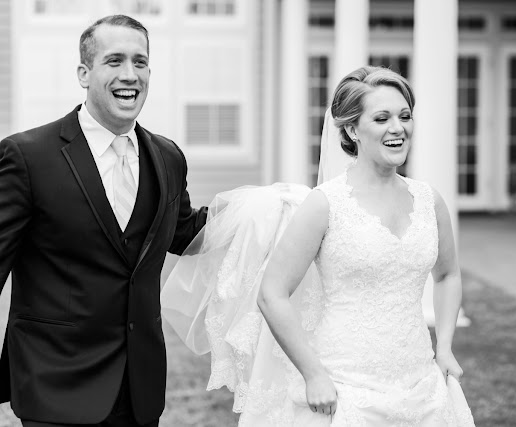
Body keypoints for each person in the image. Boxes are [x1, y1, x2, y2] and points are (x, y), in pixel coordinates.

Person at [161, 66, 474, 426]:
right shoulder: (326, 204)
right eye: (382, 118)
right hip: (344, 388)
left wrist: (446, 347)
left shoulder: (429, 200)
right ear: (353, 129)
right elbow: (272, 293)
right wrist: (313, 374)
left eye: (404, 116)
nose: (397, 128)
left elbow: (448, 274)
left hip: (422, 384)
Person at [0, 15, 207, 427]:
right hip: (54, 385)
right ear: (84, 73)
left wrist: (270, 213)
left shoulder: (167, 157)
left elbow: (185, 234)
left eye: (140, 62)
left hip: (140, 387)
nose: (129, 74)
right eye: (114, 61)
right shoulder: (27, 156)